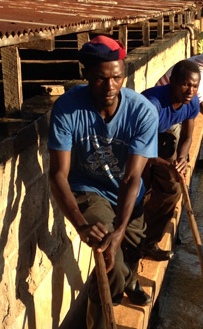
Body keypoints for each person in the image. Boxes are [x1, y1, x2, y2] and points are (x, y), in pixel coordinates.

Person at [48, 36, 157, 328]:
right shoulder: (67, 109)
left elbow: (133, 176)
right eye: (100, 79)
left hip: (127, 191)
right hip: (88, 189)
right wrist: (81, 225)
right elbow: (58, 174)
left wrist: (121, 228)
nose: (110, 87)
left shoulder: (142, 111)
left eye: (117, 77)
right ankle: (99, 321)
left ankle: (129, 282)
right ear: (85, 75)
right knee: (110, 263)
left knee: (134, 246)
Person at [140, 60, 201, 260]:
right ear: (172, 81)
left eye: (194, 86)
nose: (190, 90)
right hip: (134, 147)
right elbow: (141, 150)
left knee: (173, 190)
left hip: (159, 141)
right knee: (141, 192)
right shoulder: (153, 105)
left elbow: (187, 137)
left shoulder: (191, 102)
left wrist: (181, 159)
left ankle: (149, 241)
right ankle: (130, 243)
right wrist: (167, 165)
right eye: (185, 84)